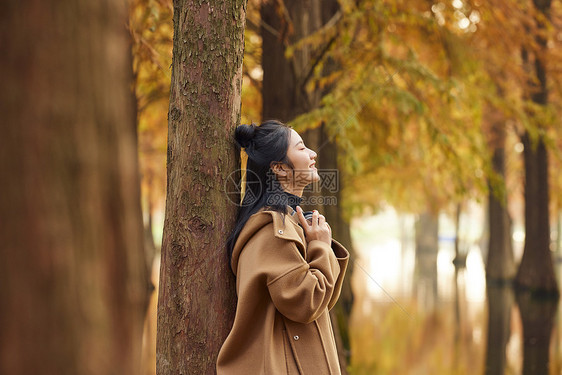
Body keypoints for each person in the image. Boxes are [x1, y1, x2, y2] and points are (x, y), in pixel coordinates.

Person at [216, 120, 350, 374]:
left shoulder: (286, 221)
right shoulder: (272, 230)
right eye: (301, 148)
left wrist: (317, 244)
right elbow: (306, 303)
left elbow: (322, 300)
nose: (313, 154)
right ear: (279, 168)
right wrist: (321, 247)